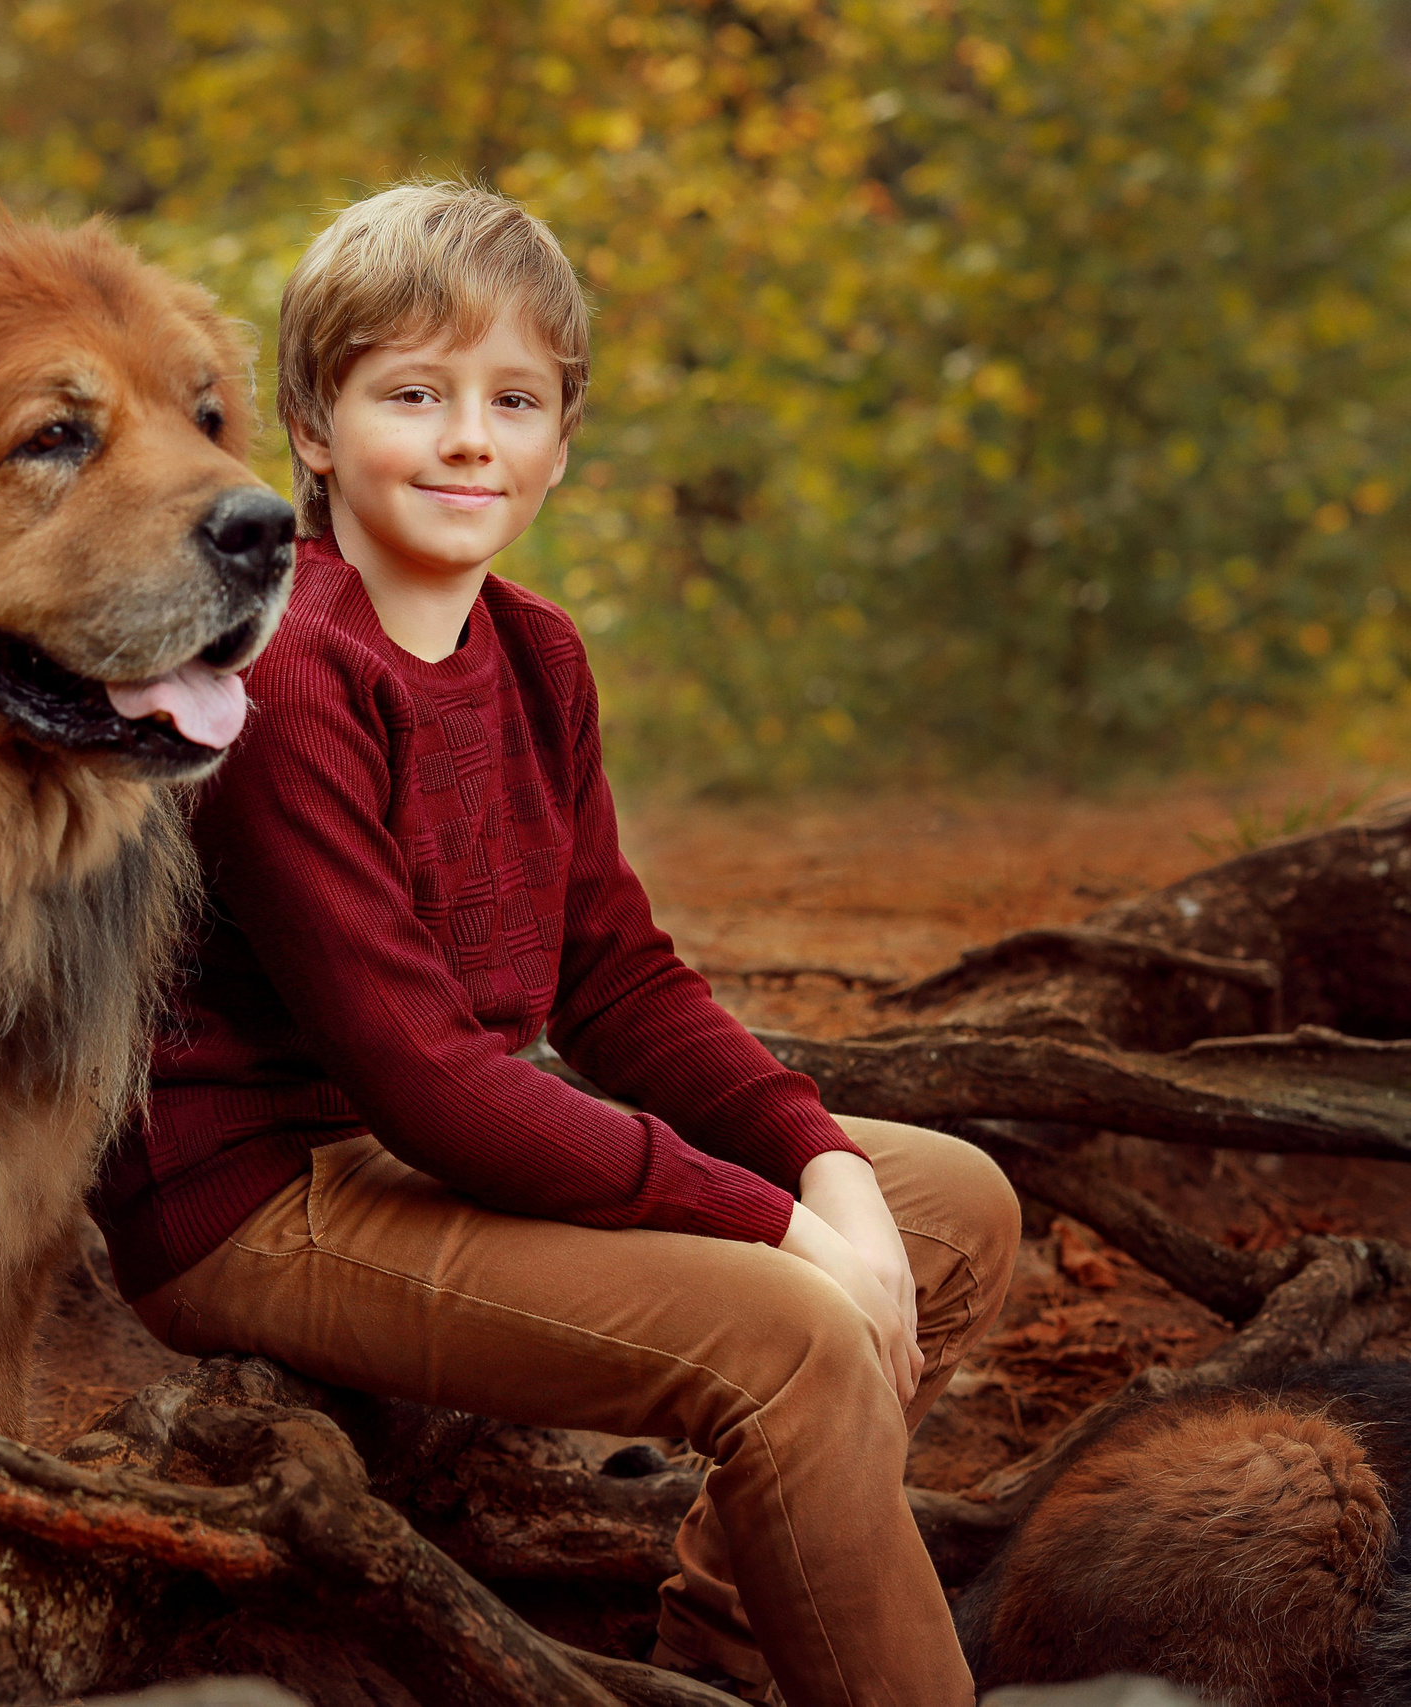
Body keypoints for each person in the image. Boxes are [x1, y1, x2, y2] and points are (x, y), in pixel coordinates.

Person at [92, 181, 1021, 1707]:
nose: (470, 439)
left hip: (418, 1153)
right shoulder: (294, 676)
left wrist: (826, 1168)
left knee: (949, 1209)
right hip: (261, 1201)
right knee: (797, 1334)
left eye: (514, 400)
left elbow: (617, 974)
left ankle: (729, 1646)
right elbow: (429, 1083)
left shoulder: (536, 653)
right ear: (312, 430)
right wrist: (781, 1229)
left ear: (563, 442)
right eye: (415, 394)